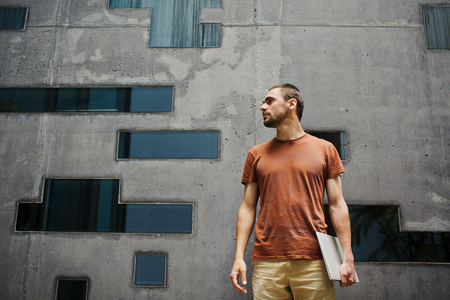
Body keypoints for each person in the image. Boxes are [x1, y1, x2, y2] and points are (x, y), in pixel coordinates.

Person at [229, 84, 357, 299]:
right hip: (267, 262)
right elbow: (248, 207)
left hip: (314, 260)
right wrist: (238, 257)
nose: (262, 107)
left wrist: (347, 256)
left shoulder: (325, 149)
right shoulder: (256, 154)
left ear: (291, 104)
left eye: (269, 101)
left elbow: (337, 205)